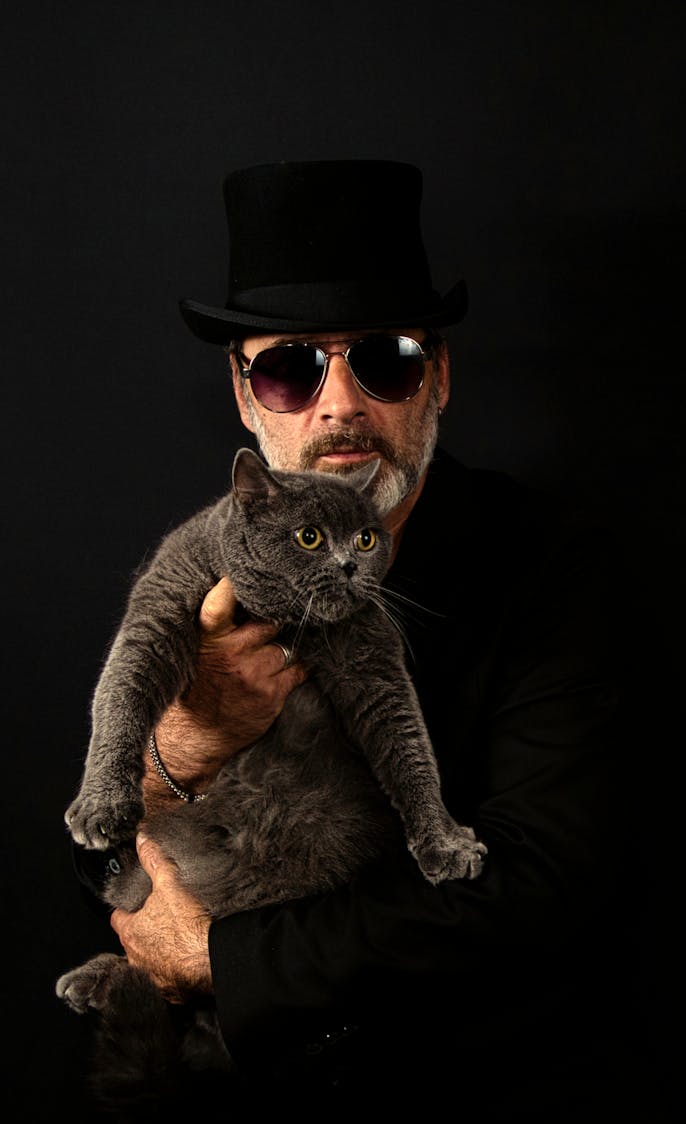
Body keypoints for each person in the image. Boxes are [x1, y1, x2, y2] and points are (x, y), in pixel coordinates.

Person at [78, 161, 653, 1120]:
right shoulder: (207, 557)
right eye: (291, 366)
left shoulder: (560, 567)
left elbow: (543, 882)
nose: (340, 406)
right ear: (244, 396)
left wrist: (217, 961)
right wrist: (184, 747)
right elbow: (91, 841)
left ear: (438, 380)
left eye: (383, 359)